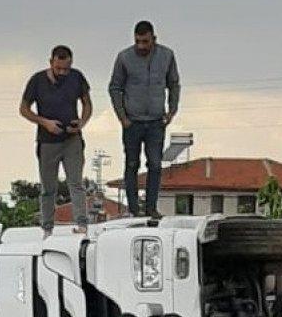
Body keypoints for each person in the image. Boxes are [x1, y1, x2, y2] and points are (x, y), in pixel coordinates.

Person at [108, 20, 180, 219]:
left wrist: (172, 110)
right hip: (132, 121)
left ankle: (151, 207)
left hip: (157, 121)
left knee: (155, 164)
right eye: (138, 41)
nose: (141, 46)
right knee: (132, 164)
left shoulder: (167, 56)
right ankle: (133, 208)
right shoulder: (124, 58)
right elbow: (115, 87)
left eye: (145, 42)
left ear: (153, 39)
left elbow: (174, 83)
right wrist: (122, 117)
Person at [20, 45, 93, 236]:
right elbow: (24, 109)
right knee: (48, 188)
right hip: (47, 141)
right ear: (51, 62)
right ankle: (47, 227)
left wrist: (82, 123)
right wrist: (44, 123)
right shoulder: (37, 81)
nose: (62, 72)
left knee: (76, 183)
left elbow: (87, 103)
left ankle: (82, 224)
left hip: (72, 139)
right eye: (58, 68)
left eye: (66, 69)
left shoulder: (77, 77)